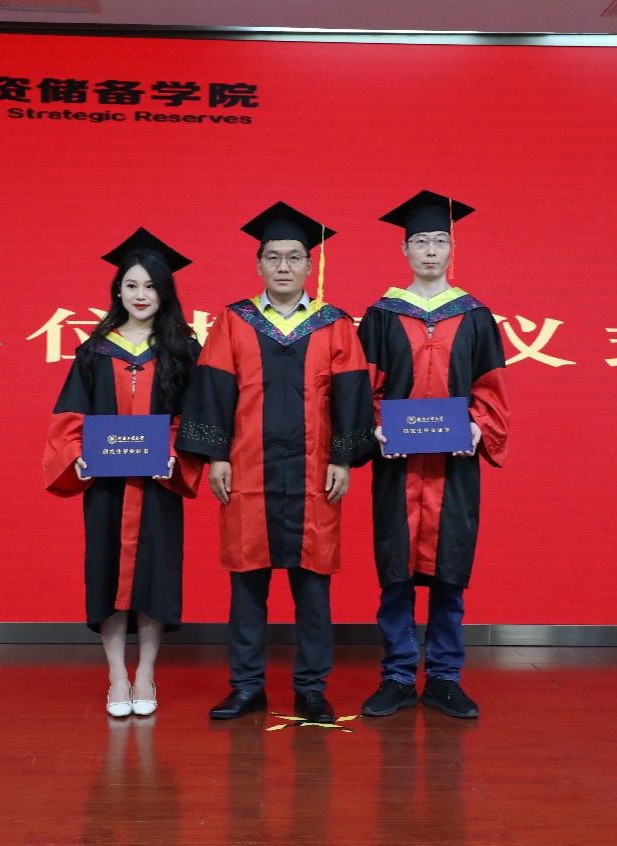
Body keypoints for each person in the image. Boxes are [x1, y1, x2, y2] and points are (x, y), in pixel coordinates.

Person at [176, 201, 373, 724]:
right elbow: (214, 390)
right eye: (273, 257)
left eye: (293, 257)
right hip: (248, 470)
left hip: (314, 472)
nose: (283, 266)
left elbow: (352, 395)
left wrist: (343, 458)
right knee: (247, 584)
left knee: (314, 587)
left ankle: (311, 688)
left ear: (310, 265)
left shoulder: (334, 324)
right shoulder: (233, 321)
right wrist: (216, 456)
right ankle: (247, 687)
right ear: (258, 264)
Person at [356, 190, 510, 719]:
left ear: (452, 248)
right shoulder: (380, 316)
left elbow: (491, 389)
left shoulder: (476, 316)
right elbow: (365, 388)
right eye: (420, 241)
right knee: (395, 573)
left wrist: (477, 426)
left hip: (453, 468)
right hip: (397, 469)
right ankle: (398, 676)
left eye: (439, 241)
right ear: (403, 249)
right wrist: (377, 427)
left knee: (449, 572)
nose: (429, 251)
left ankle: (445, 678)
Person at [44, 227, 203, 718]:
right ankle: (117, 676)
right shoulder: (95, 350)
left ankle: (147, 673)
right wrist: (77, 456)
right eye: (131, 285)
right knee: (106, 574)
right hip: (107, 487)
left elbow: (194, 418)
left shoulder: (182, 350)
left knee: (155, 577)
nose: (140, 295)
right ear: (118, 290)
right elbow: (70, 416)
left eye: (151, 286)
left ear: (165, 292)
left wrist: (175, 454)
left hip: (158, 485)